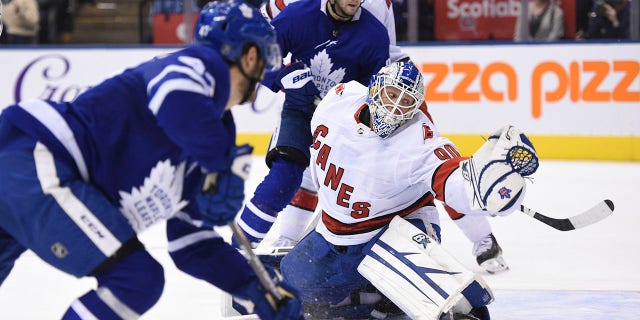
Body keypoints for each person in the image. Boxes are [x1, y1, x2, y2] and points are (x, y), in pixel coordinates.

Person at [0, 1, 304, 319]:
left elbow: (192, 242)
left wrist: (252, 284)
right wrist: (219, 163)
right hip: (34, 157)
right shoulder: (198, 66)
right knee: (135, 278)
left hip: (28, 170)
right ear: (251, 56)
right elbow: (175, 95)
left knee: (135, 277)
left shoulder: (216, 131)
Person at [238, 0, 511, 275]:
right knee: (310, 167)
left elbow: (372, 52)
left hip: (391, 88)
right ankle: (287, 240)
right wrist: (286, 77)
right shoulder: (300, 11)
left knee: (427, 164)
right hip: (323, 97)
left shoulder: (373, 11)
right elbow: (261, 36)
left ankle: (482, 239)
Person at [279, 61, 539, 319]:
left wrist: (485, 188)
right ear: (374, 89)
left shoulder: (417, 139)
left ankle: (452, 307)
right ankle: (375, 300)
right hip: (336, 232)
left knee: (437, 295)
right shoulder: (339, 101)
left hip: (395, 227)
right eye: (391, 95)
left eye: (405, 101)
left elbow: (451, 178)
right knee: (295, 282)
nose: (394, 108)